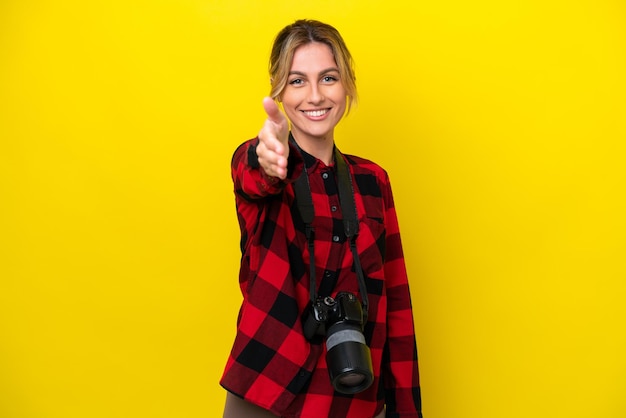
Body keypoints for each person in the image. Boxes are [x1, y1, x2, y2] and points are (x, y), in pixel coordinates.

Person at [220, 19, 423, 418]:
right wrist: (267, 160)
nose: (315, 95)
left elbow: (396, 305)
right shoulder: (265, 164)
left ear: (346, 85)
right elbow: (253, 176)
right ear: (278, 91)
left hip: (353, 392)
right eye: (297, 81)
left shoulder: (373, 182)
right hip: (268, 390)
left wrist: (404, 409)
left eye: (328, 78)